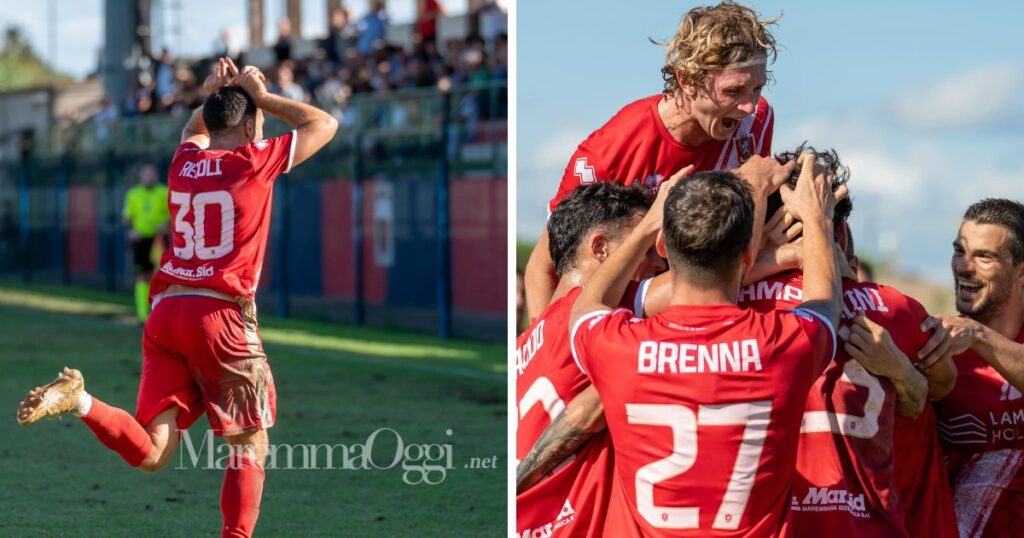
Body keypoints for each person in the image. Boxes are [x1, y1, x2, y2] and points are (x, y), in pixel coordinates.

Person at [16, 57, 338, 538]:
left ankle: (79, 400)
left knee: (152, 453)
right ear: (251, 126)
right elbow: (323, 123)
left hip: (166, 314)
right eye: (258, 120)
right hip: (219, 316)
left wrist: (211, 95)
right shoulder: (253, 161)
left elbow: (197, 128)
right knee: (250, 445)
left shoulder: (184, 162)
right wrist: (261, 93)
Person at [569, 154, 839, 536]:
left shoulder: (618, 347)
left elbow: (587, 305)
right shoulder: (785, 345)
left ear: (663, 245)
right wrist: (816, 220)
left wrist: (647, 225)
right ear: (748, 254)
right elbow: (826, 304)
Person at [524, 1, 779, 320]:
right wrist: (540, 351)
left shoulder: (755, 123)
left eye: (757, 88)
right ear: (687, 79)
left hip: (701, 310)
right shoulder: (609, 152)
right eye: (734, 90)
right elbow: (543, 267)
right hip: (615, 324)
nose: (748, 106)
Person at [515, 181, 669, 537]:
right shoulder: (585, 315)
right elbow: (698, 285)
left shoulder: (527, 341)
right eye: (644, 248)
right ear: (600, 248)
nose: (658, 264)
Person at [932, 198, 1024, 537]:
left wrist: (980, 336)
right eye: (959, 251)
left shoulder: (971, 337)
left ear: (1021, 269)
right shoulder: (939, 345)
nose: (964, 267)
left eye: (983, 256)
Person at [123, 163, 170, 323]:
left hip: (159, 240)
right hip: (141, 240)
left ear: (156, 175)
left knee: (160, 275)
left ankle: (158, 313)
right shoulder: (133, 194)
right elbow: (126, 218)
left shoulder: (164, 192)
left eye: (151, 174)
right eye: (146, 174)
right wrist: (130, 230)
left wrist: (166, 224)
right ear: (141, 176)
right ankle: (142, 314)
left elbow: (175, 213)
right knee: (142, 275)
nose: (149, 177)